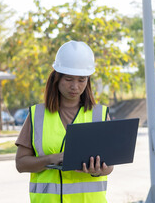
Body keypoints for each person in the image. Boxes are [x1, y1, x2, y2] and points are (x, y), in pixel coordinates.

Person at [15, 40, 113, 203]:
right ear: (57, 78)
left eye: (81, 80)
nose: (75, 86)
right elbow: (21, 163)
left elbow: (109, 166)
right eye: (69, 79)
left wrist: (96, 170)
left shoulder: (100, 114)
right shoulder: (36, 115)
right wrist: (50, 159)